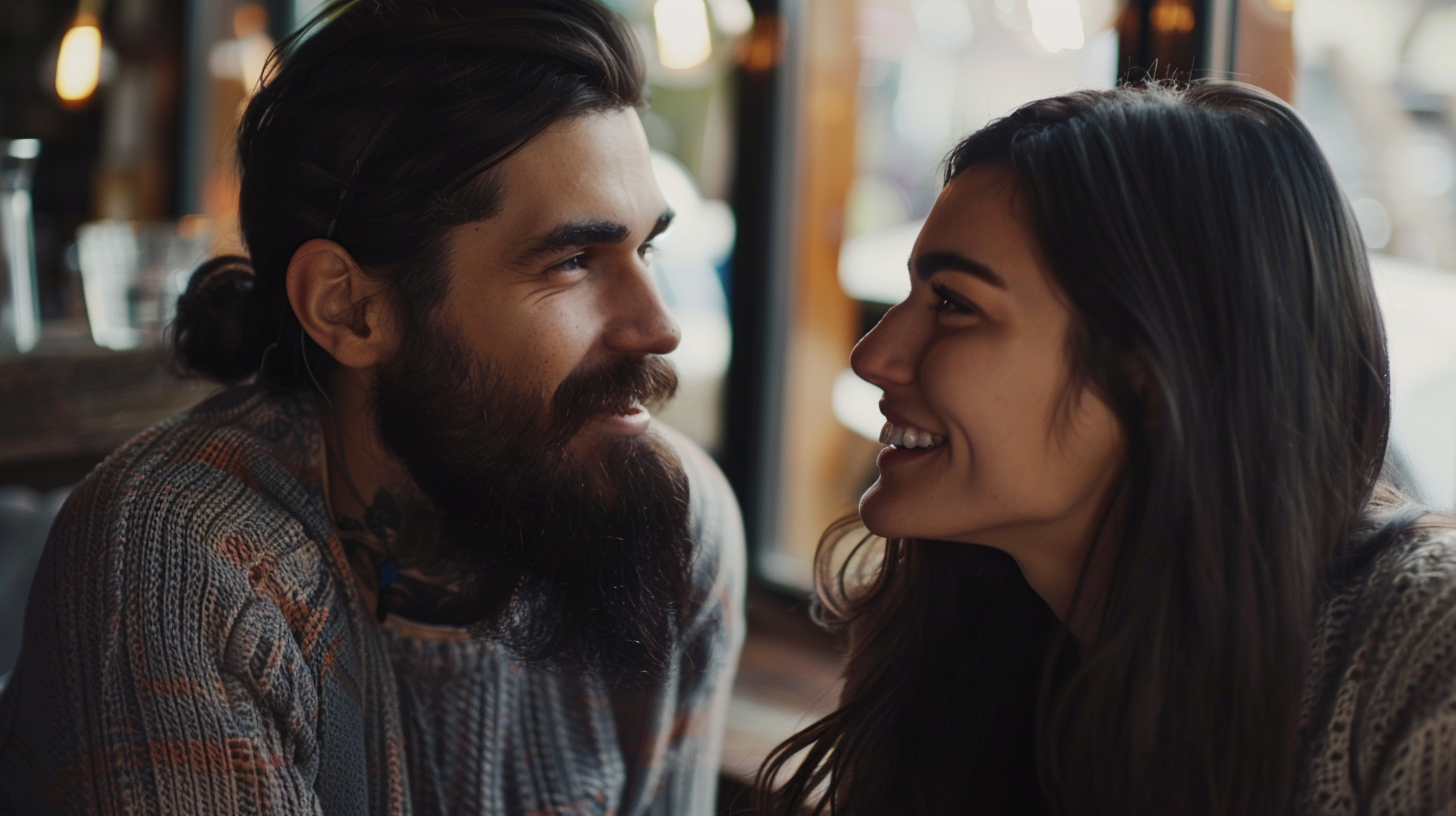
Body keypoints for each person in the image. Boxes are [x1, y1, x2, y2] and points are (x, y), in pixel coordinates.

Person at [0, 1, 745, 813]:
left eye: (648, 248)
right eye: (572, 260)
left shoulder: (669, 523)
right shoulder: (187, 563)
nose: (659, 326)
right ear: (349, 309)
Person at [757, 83, 1456, 816]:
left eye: (955, 304)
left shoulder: (1426, 651)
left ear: (1154, 376)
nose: (874, 355)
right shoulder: (950, 643)